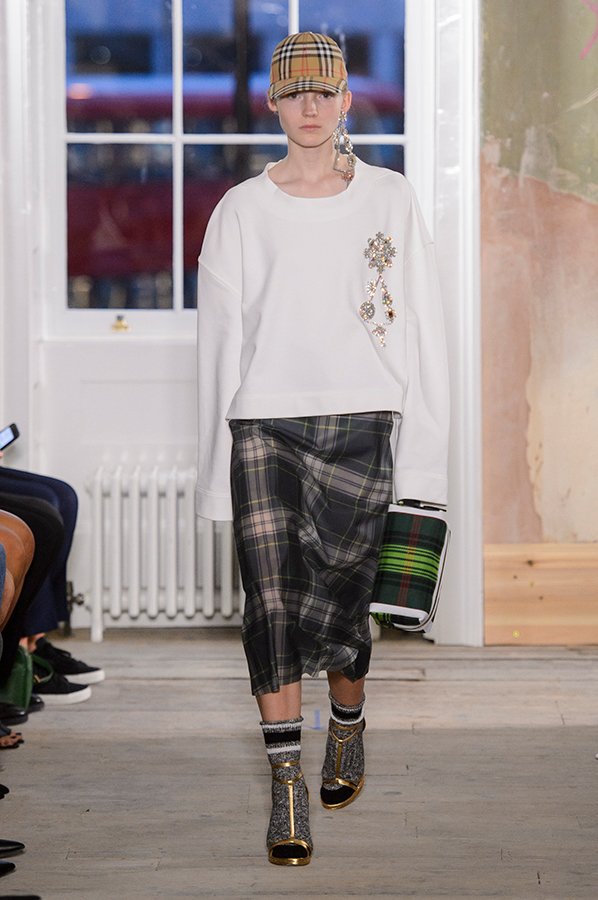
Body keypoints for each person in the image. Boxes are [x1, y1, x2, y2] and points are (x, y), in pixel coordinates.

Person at [196, 32, 449, 866]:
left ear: (344, 100)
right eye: (293, 92)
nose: (309, 106)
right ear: (273, 103)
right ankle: (286, 787)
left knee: (345, 607)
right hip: (263, 425)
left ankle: (347, 718)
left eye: (324, 91)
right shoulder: (240, 210)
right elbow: (217, 347)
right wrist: (214, 476)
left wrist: (427, 455)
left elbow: (422, 330)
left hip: (362, 420)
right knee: (269, 605)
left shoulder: (390, 199)